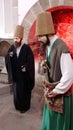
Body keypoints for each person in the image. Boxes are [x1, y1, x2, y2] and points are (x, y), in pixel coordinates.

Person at [36, 12, 73, 130]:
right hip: (51, 94)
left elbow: (69, 74)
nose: (38, 39)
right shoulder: (48, 45)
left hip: (60, 97)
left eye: (39, 35)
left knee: (58, 125)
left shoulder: (61, 47)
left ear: (47, 33)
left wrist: (57, 90)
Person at [7, 25, 35, 113]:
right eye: (14, 38)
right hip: (16, 75)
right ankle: (17, 106)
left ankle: (24, 107)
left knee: (24, 92)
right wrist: (9, 56)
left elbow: (30, 60)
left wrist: (26, 67)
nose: (16, 40)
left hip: (24, 76)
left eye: (17, 38)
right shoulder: (12, 47)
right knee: (16, 93)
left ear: (21, 38)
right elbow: (7, 58)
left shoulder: (26, 48)